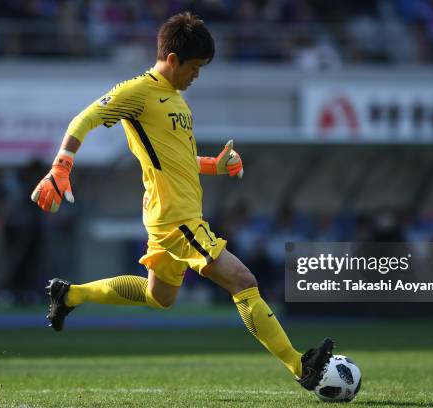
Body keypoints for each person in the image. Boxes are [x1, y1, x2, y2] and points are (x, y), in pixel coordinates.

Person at [30, 12, 333, 391]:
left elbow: (179, 158)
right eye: (194, 68)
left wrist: (214, 165)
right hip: (177, 219)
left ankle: (70, 294)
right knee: (242, 279)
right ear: (172, 59)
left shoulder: (176, 100)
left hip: (171, 215)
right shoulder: (137, 92)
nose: (197, 76)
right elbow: (84, 119)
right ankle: (299, 365)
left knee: (159, 296)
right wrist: (61, 166)